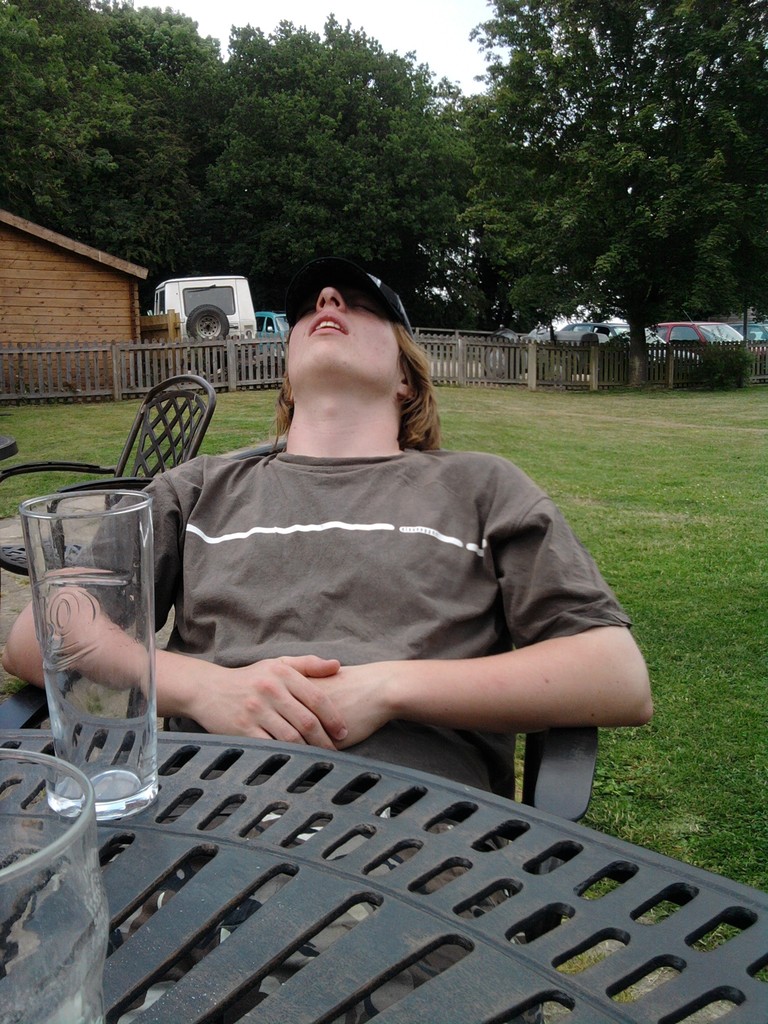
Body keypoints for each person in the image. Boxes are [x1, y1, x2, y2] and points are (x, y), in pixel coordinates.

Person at [3, 256, 652, 796]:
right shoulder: (197, 490)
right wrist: (205, 688)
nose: (328, 300)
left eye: (363, 303)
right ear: (287, 373)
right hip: (209, 831)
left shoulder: (481, 488)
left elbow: (614, 674)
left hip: (419, 849)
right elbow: (37, 634)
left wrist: (387, 688)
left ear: (405, 376)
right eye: (310, 307)